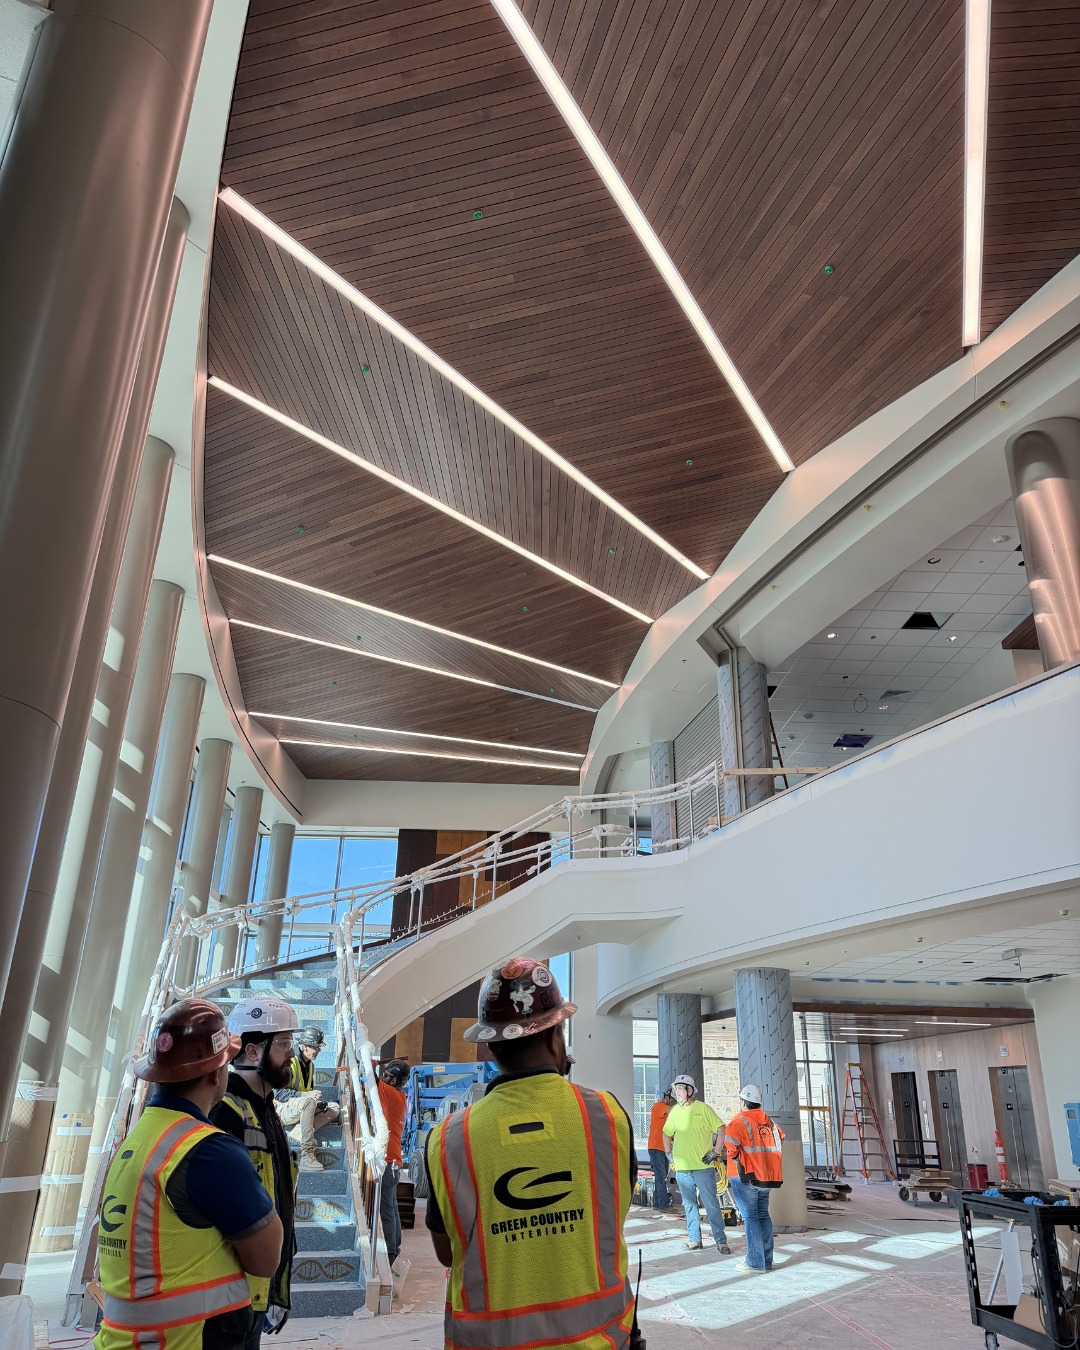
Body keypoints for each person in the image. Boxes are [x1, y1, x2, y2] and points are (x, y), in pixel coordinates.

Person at [424, 956, 638, 1349]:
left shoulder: (449, 1139)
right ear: (556, 1035)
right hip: (601, 1340)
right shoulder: (608, 1117)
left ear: (489, 1045)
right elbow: (613, 1212)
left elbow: (447, 1252)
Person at [93, 999, 283, 1350]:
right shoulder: (208, 1150)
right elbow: (266, 1258)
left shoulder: (141, 1137)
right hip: (187, 1339)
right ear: (215, 1072)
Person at [210, 998, 301, 1343]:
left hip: (255, 1288)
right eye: (283, 1043)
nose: (291, 1053)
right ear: (252, 1051)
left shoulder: (265, 1110)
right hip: (229, 1291)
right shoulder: (228, 1111)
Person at [662, 1073, 730, 1254]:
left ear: (690, 1091)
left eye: (680, 1089)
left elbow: (721, 1128)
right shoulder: (675, 1111)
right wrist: (669, 1153)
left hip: (703, 1167)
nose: (677, 1092)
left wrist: (716, 1152)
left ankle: (721, 1240)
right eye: (676, 1089)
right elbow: (666, 1133)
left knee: (711, 1204)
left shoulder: (703, 1109)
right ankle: (694, 1239)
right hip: (683, 1168)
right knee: (689, 1204)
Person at [725, 1083, 784, 1274]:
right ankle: (766, 1261)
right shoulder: (770, 1123)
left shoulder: (739, 1121)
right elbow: (781, 1138)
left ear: (743, 1102)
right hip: (765, 1177)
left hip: (745, 1176)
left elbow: (731, 1146)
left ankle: (755, 1263)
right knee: (762, 1215)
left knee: (750, 1217)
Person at [275, 1025, 339, 1164]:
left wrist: (314, 1099)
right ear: (304, 1046)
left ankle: (299, 1131)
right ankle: (307, 1152)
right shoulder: (289, 1062)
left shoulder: (310, 1065)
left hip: (300, 1108)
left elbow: (307, 1094)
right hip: (281, 1110)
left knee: (334, 1108)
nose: (318, 1050)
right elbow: (278, 1094)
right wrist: (306, 1095)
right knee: (309, 1102)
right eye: (315, 1047)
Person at [376, 1058, 409, 1270]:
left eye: (386, 1075)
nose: (382, 1077)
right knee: (392, 1208)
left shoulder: (390, 1093)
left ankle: (389, 1253)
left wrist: (370, 1062)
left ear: (394, 1079)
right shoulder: (400, 1096)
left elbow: (370, 1079)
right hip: (394, 1160)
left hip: (388, 1161)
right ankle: (394, 1249)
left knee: (386, 1210)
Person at [647, 1088, 676, 1218]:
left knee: (661, 1176)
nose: (674, 1104)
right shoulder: (659, 1106)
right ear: (667, 1097)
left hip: (663, 1148)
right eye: (673, 1101)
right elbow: (671, 1110)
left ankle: (658, 1204)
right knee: (661, 1176)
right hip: (656, 1147)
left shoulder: (669, 1113)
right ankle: (663, 1205)